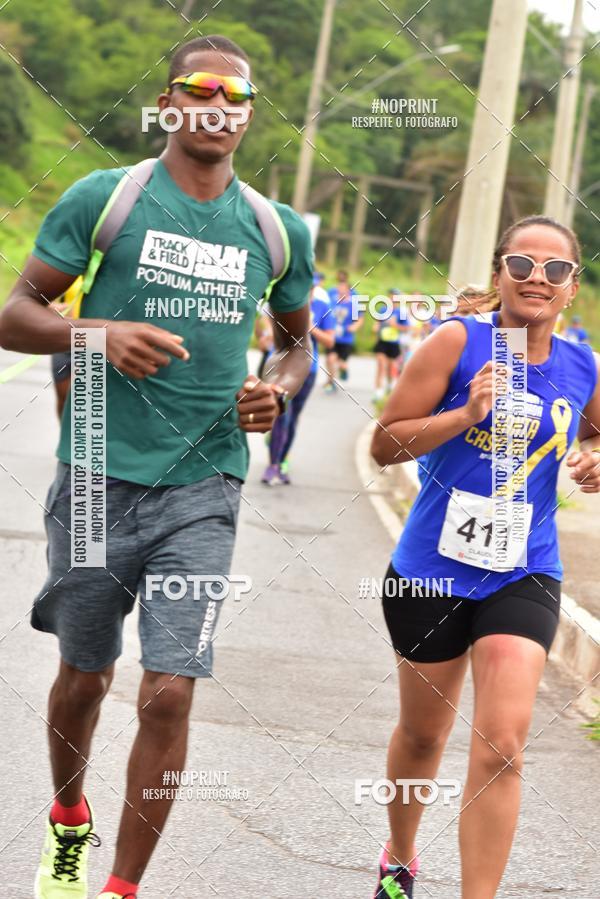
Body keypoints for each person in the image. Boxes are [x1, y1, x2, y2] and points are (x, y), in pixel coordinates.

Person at [0, 35, 313, 899]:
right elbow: (16, 314)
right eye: (199, 88)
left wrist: (276, 390)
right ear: (169, 102)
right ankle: (70, 818)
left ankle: (122, 888)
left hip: (205, 484)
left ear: (249, 114)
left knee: (170, 691)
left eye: (236, 94)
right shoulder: (108, 199)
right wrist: (96, 333)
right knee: (84, 675)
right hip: (96, 470)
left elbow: (297, 345)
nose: (218, 105)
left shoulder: (275, 229)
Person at [370, 215, 600, 899]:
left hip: (524, 570)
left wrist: (595, 460)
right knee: (423, 736)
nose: (538, 278)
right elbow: (386, 443)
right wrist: (462, 415)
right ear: (501, 272)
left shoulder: (583, 365)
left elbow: (595, 432)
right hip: (430, 572)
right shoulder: (458, 341)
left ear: (572, 287)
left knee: (502, 745)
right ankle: (400, 856)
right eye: (522, 264)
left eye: (556, 269)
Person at [262, 280, 335, 484]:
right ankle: (272, 465)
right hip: (280, 368)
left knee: (293, 418)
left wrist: (311, 329)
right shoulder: (281, 303)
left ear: (313, 290)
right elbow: (267, 327)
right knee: (281, 415)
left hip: (308, 370)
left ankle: (282, 461)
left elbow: (330, 341)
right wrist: (268, 335)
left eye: (309, 289)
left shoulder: (322, 307)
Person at [325, 269, 362, 391]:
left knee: (341, 363)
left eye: (343, 288)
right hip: (333, 336)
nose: (340, 290)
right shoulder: (332, 300)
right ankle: (331, 382)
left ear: (348, 290)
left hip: (346, 338)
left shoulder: (353, 302)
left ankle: (343, 369)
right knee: (330, 359)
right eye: (339, 288)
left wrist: (354, 327)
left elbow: (360, 319)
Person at [372, 288, 411, 401]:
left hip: (393, 343)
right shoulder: (383, 309)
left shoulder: (401, 313)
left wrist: (395, 325)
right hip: (382, 342)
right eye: (390, 296)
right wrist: (376, 327)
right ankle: (378, 392)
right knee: (381, 365)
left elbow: (407, 328)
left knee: (390, 368)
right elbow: (377, 322)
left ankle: (389, 386)